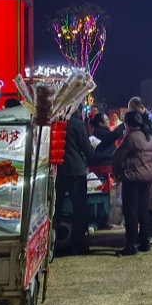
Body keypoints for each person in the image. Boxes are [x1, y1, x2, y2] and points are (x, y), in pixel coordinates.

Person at [112, 111, 152, 256]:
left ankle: (131, 244)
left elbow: (118, 156)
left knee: (130, 211)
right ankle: (145, 241)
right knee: (143, 210)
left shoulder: (131, 137)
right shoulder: (148, 135)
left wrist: (117, 172)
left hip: (132, 178)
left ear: (129, 123)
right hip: (147, 177)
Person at [56, 107, 96, 255]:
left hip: (57, 170)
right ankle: (77, 244)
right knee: (79, 209)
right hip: (75, 171)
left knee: (55, 208)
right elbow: (88, 150)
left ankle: (53, 242)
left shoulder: (55, 122)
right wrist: (93, 148)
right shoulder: (78, 125)